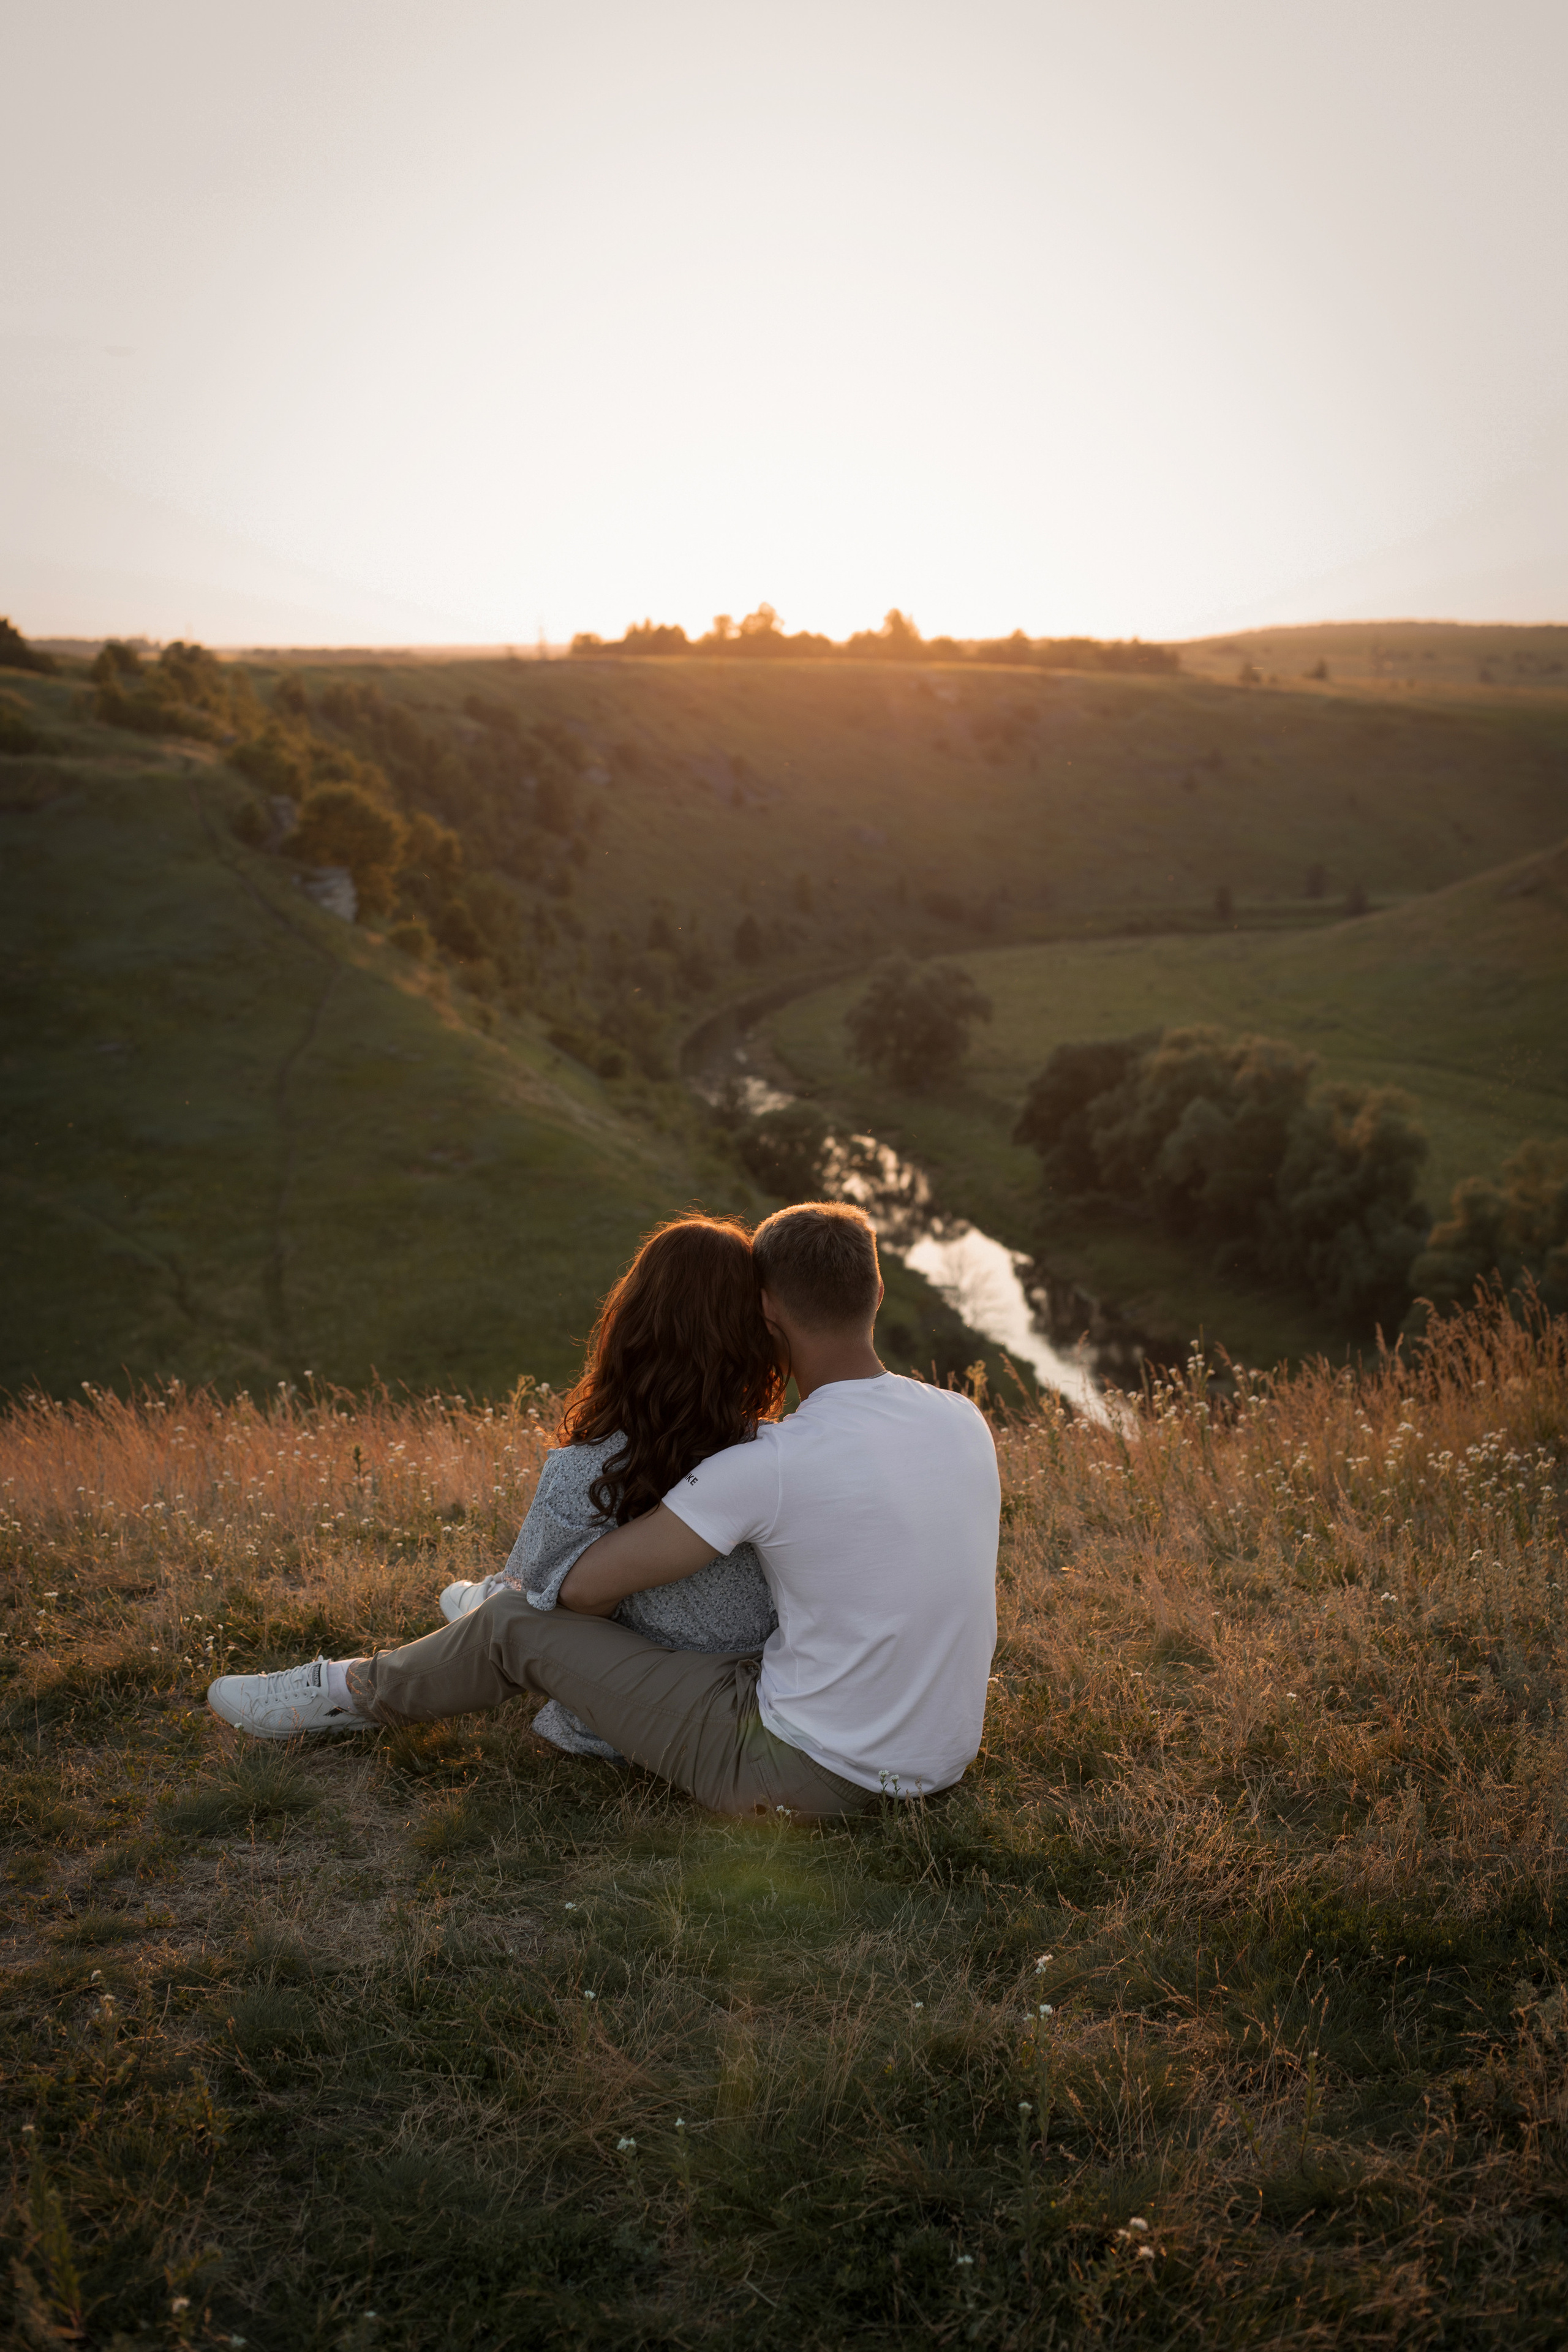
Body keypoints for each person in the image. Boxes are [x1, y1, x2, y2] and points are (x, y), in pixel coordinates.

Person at [206, 1202, 1001, 1820]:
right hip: (939, 1762)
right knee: (530, 1607)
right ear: (876, 1291)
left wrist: (535, 1582)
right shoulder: (962, 1421)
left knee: (518, 1622)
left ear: (766, 1314)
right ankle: (472, 1611)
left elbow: (584, 1592)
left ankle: (344, 1692)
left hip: (802, 1773)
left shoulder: (776, 1465)